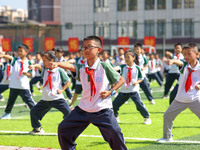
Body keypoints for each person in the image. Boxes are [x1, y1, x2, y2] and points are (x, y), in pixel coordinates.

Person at [50, 35, 128, 150]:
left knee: (115, 133)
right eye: (84, 47)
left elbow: (121, 80)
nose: (86, 50)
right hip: (83, 109)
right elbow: (70, 66)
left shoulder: (104, 66)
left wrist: (110, 91)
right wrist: (57, 64)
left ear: (99, 49)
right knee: (63, 129)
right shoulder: (82, 68)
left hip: (102, 109)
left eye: (89, 47)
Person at [157, 43, 200, 142]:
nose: (186, 57)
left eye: (189, 54)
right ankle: (167, 137)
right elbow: (179, 62)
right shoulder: (185, 64)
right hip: (180, 99)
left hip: (195, 99)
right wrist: (172, 61)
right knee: (168, 115)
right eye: (184, 54)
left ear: (197, 54)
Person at [29, 51, 71, 134]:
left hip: (57, 98)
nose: (43, 62)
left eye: (44, 61)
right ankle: (37, 129)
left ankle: (67, 128)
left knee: (68, 113)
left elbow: (68, 81)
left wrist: (62, 90)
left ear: (51, 60)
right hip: (46, 99)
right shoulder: (45, 70)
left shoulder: (59, 70)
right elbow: (39, 66)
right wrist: (33, 66)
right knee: (33, 112)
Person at [113, 50, 151, 124]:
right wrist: (110, 68)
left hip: (133, 90)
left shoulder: (137, 68)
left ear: (133, 57)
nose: (126, 59)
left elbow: (141, 78)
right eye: (125, 57)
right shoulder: (122, 67)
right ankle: (115, 117)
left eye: (128, 57)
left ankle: (147, 117)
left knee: (139, 105)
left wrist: (136, 82)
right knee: (114, 105)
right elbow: (116, 68)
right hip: (123, 91)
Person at [0, 44, 35, 119]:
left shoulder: (28, 63)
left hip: (23, 86)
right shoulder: (15, 60)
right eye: (18, 51)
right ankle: (7, 114)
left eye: (21, 51)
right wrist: (2, 55)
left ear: (26, 52)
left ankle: (36, 113)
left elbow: (31, 73)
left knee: (29, 101)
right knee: (10, 101)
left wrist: (26, 73)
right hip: (14, 86)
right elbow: (9, 57)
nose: (19, 52)